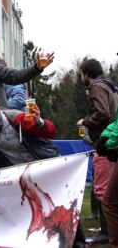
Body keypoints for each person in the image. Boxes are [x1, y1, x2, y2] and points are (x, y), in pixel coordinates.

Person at [76, 59, 118, 244]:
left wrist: (84, 121)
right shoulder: (111, 85)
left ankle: (106, 233)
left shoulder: (97, 87)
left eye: (81, 73)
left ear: (86, 73)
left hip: (106, 143)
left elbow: (103, 113)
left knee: (103, 191)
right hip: (111, 141)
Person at [96, 105, 118, 247]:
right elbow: (116, 122)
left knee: (109, 202)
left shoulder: (97, 87)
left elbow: (103, 113)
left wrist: (110, 144)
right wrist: (105, 135)